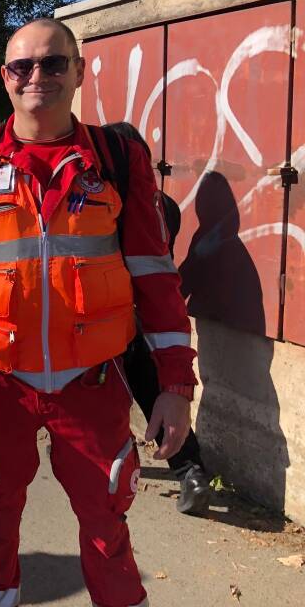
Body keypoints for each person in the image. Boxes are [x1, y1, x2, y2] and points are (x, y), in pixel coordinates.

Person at [0, 18, 197, 607]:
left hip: (92, 383)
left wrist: (176, 385)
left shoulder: (117, 156)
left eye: (54, 63)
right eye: (22, 67)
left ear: (78, 71)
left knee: (107, 525)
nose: (38, 77)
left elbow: (158, 279)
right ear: (4, 79)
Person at [105, 121, 212, 516]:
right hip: (146, 321)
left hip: (104, 319)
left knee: (101, 397)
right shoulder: (164, 207)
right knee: (153, 393)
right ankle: (191, 471)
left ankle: (114, 466)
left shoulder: (102, 202)